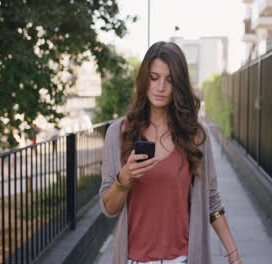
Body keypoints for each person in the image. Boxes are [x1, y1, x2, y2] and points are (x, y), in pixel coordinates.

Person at [98, 41, 243, 264]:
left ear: (179, 85)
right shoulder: (118, 134)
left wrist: (233, 254)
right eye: (154, 77)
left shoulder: (195, 136)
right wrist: (124, 178)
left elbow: (211, 200)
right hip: (133, 260)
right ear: (144, 79)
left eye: (170, 80)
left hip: (183, 259)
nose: (160, 87)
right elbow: (108, 209)